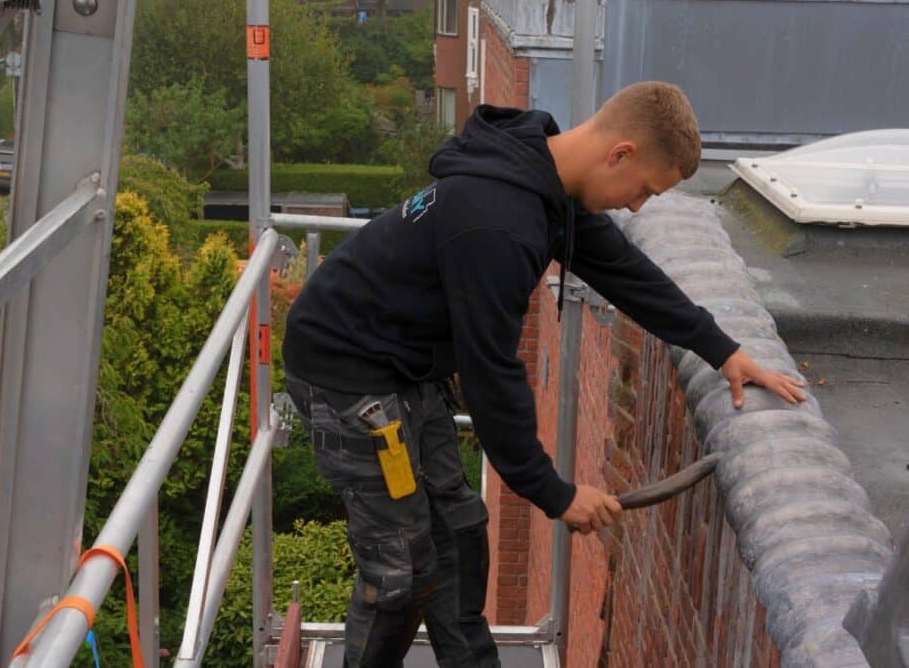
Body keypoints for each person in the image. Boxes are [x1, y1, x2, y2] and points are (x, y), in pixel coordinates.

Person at [282, 81, 807, 667]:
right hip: (348, 374)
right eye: (643, 191)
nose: (637, 206)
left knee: (458, 524)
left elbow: (626, 272)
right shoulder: (499, 223)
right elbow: (490, 375)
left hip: (401, 364)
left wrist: (723, 349)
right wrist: (553, 493)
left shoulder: (542, 181)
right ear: (620, 154)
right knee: (401, 570)